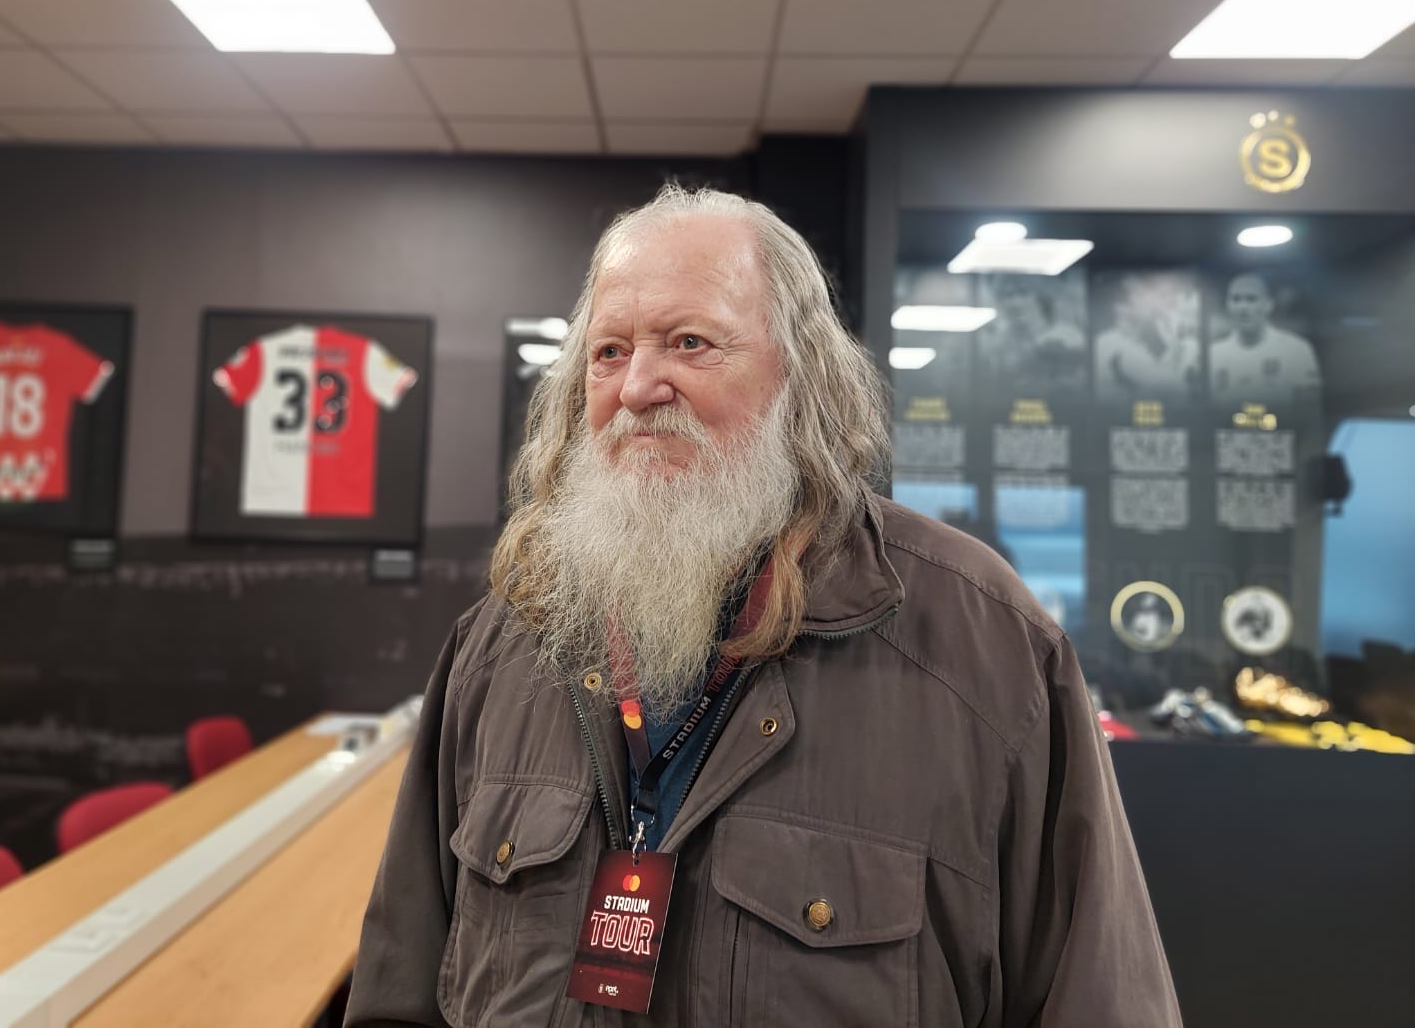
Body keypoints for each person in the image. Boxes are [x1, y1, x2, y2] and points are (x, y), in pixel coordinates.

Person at [346, 186, 1180, 1027]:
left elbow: (1101, 1003)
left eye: (690, 343)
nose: (637, 386)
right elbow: (400, 989)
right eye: (608, 352)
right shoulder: (503, 643)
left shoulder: (986, 647)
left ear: (801, 374)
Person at [1208, 273, 1321, 402]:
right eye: (1236, 299)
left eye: (1251, 299)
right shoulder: (1213, 355)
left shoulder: (1296, 351)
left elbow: (1309, 408)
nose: (1243, 307)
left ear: (1268, 305)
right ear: (1227, 305)